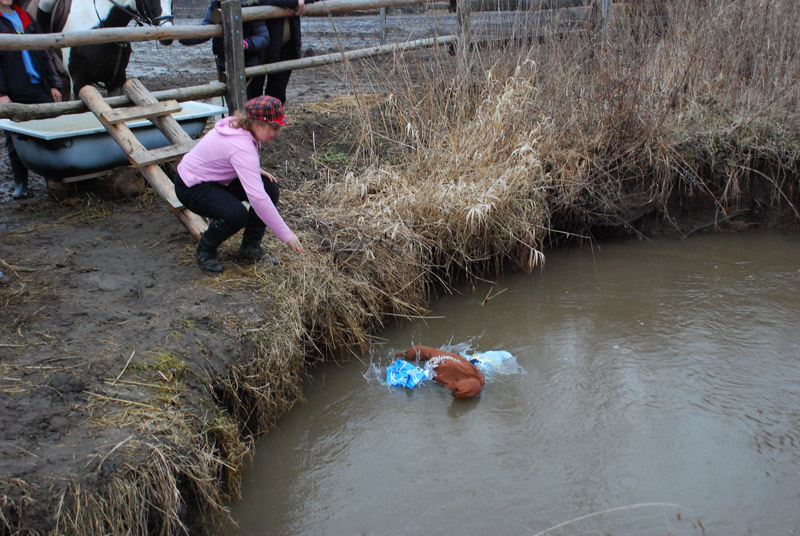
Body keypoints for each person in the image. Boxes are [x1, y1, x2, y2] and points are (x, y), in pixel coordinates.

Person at [174, 95, 303, 273]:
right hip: (191, 186)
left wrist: (253, 170)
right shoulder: (241, 146)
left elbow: (224, 156)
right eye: (274, 127)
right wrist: (287, 235)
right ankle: (205, 249)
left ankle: (250, 248)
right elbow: (257, 198)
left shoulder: (241, 126)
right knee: (235, 214)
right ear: (257, 125)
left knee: (269, 186)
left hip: (215, 178)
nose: (277, 132)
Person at [0, 0, 62, 199]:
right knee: (13, 140)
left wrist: (53, 83)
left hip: (38, 84)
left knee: (51, 131)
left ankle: (54, 180)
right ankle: (21, 183)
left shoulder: (25, 16)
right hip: (13, 88)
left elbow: (44, 51)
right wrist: (1, 93)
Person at [179, 0, 271, 100]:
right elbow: (206, 30)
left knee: (250, 104)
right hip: (225, 63)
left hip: (249, 65)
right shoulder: (216, 4)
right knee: (231, 101)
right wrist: (180, 36)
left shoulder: (251, 4)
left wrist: (245, 44)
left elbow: (263, 37)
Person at [251, 0, 312, 104]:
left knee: (277, 96)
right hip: (258, 48)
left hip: (285, 48)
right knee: (252, 96)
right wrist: (292, 2)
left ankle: (271, 119)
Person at [395, 345, 485, 399]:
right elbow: (422, 351)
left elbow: (467, 388)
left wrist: (454, 388)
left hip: (462, 376)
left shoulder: (474, 379)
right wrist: (406, 354)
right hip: (444, 365)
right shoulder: (437, 356)